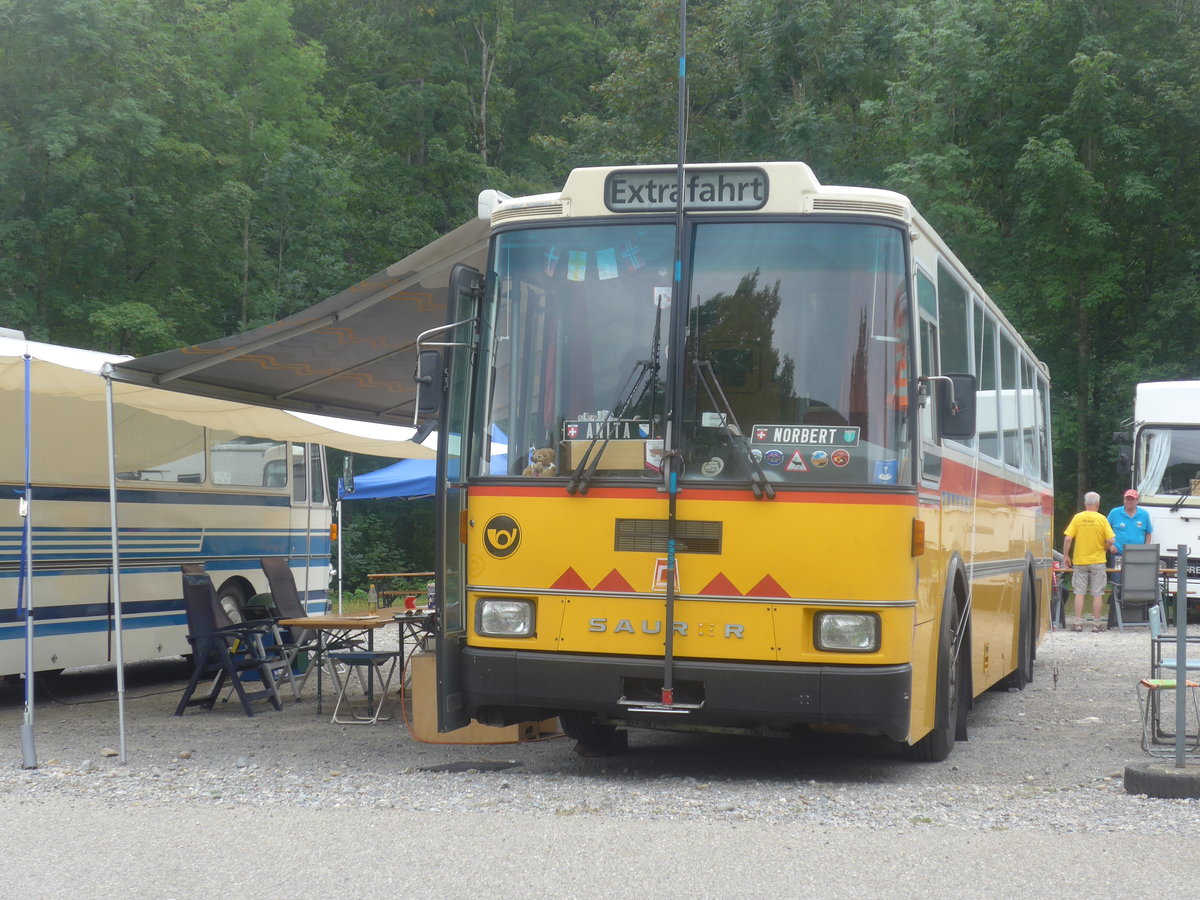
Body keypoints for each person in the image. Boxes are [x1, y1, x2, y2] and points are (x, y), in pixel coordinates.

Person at [1062, 491, 1117, 632]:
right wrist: (1103, 548)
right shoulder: (1102, 519)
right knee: (1097, 593)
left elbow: (1068, 538)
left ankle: (1078, 623)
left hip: (1080, 561)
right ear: (1098, 504)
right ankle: (1096, 624)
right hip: (1098, 560)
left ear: (1085, 504)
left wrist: (1066, 556)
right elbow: (1111, 540)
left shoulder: (1078, 518)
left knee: (1079, 592)